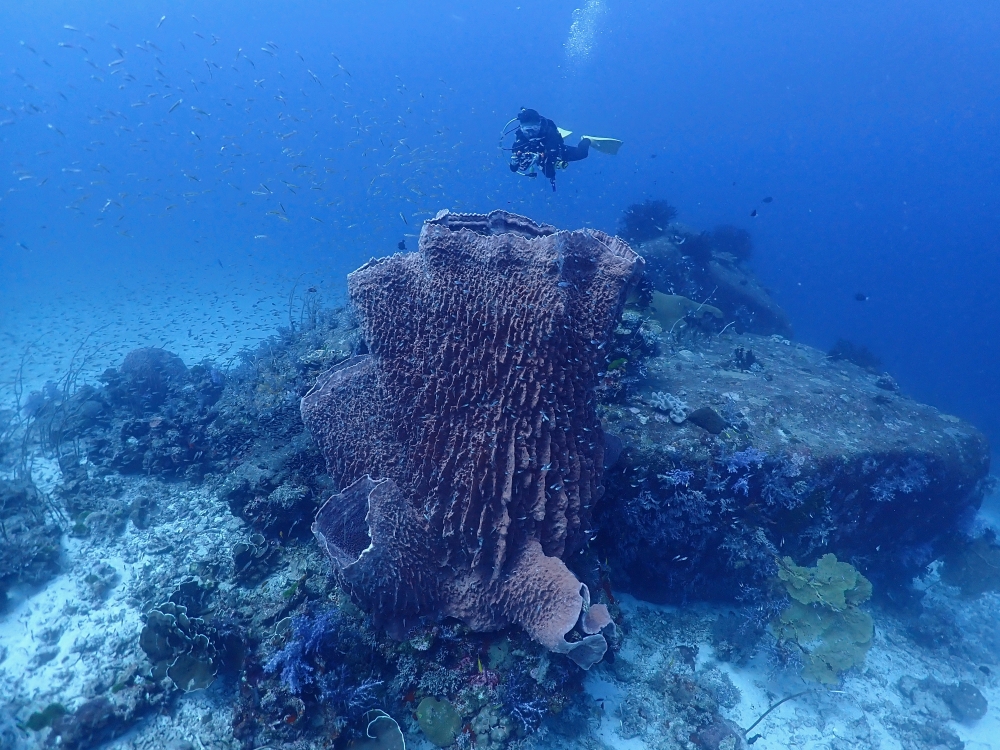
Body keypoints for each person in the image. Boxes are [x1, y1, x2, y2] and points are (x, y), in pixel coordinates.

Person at [509, 108, 591, 191]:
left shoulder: (549, 131)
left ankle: (586, 139)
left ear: (539, 125)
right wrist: (515, 161)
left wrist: (540, 157)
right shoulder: (520, 138)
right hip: (539, 153)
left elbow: (554, 151)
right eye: (526, 130)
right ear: (521, 128)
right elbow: (513, 168)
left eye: (534, 129)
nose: (531, 134)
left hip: (553, 149)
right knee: (549, 173)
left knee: (582, 153)